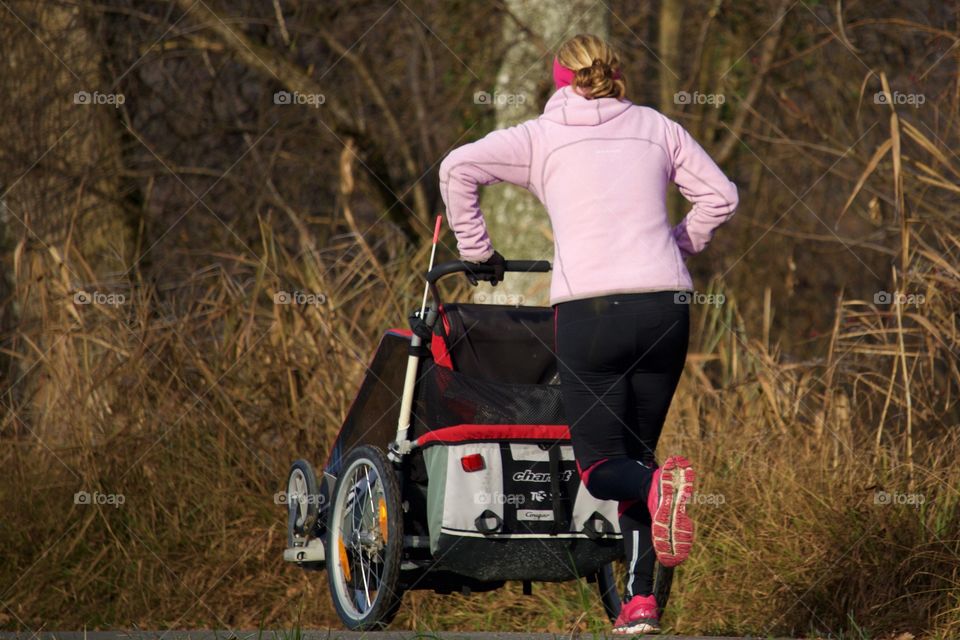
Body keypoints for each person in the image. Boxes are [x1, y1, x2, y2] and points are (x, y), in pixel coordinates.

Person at [438, 33, 738, 635]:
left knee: (603, 468)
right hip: (666, 310)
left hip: (591, 314)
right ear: (615, 74)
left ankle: (658, 491)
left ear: (559, 81)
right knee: (638, 457)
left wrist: (479, 253)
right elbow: (722, 197)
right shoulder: (658, 127)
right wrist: (677, 247)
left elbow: (457, 168)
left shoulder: (539, 137)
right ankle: (641, 602)